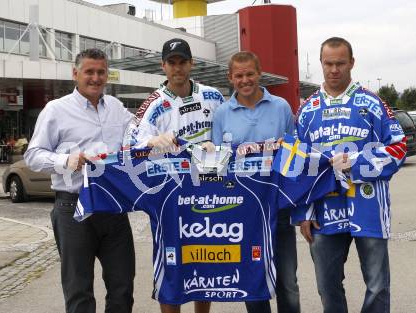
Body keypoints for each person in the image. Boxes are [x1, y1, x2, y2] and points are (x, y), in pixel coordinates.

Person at [295, 37, 406, 313]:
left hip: (367, 205)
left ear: (352, 63)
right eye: (328, 63)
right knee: (327, 285)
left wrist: (355, 163)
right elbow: (300, 164)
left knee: (377, 284)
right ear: (321, 63)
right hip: (324, 210)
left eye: (340, 63)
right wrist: (304, 212)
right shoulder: (307, 110)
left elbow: (399, 147)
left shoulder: (372, 102)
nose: (334, 70)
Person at [24, 48, 135, 313]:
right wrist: (66, 161)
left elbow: (140, 135)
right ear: (75, 74)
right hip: (72, 209)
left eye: (101, 72)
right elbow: (33, 155)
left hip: (113, 209)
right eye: (89, 72)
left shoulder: (117, 109)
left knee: (122, 288)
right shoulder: (56, 110)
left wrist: (155, 139)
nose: (96, 78)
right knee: (78, 292)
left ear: (107, 75)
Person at [125, 38, 224, 313]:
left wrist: (218, 147)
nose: (177, 68)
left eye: (183, 62)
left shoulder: (213, 96)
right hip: (170, 197)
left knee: (205, 260)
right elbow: (132, 146)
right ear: (163, 66)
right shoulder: (152, 104)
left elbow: (227, 134)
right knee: (172, 265)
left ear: (192, 64)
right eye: (172, 63)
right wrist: (152, 142)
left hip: (209, 190)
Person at [212, 51, 300, 313]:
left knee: (288, 283)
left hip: (278, 210)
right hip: (243, 214)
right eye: (238, 76)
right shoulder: (221, 114)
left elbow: (293, 158)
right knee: (252, 283)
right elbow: (219, 165)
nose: (245, 80)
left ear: (259, 73)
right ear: (230, 78)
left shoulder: (281, 107)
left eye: (249, 73)